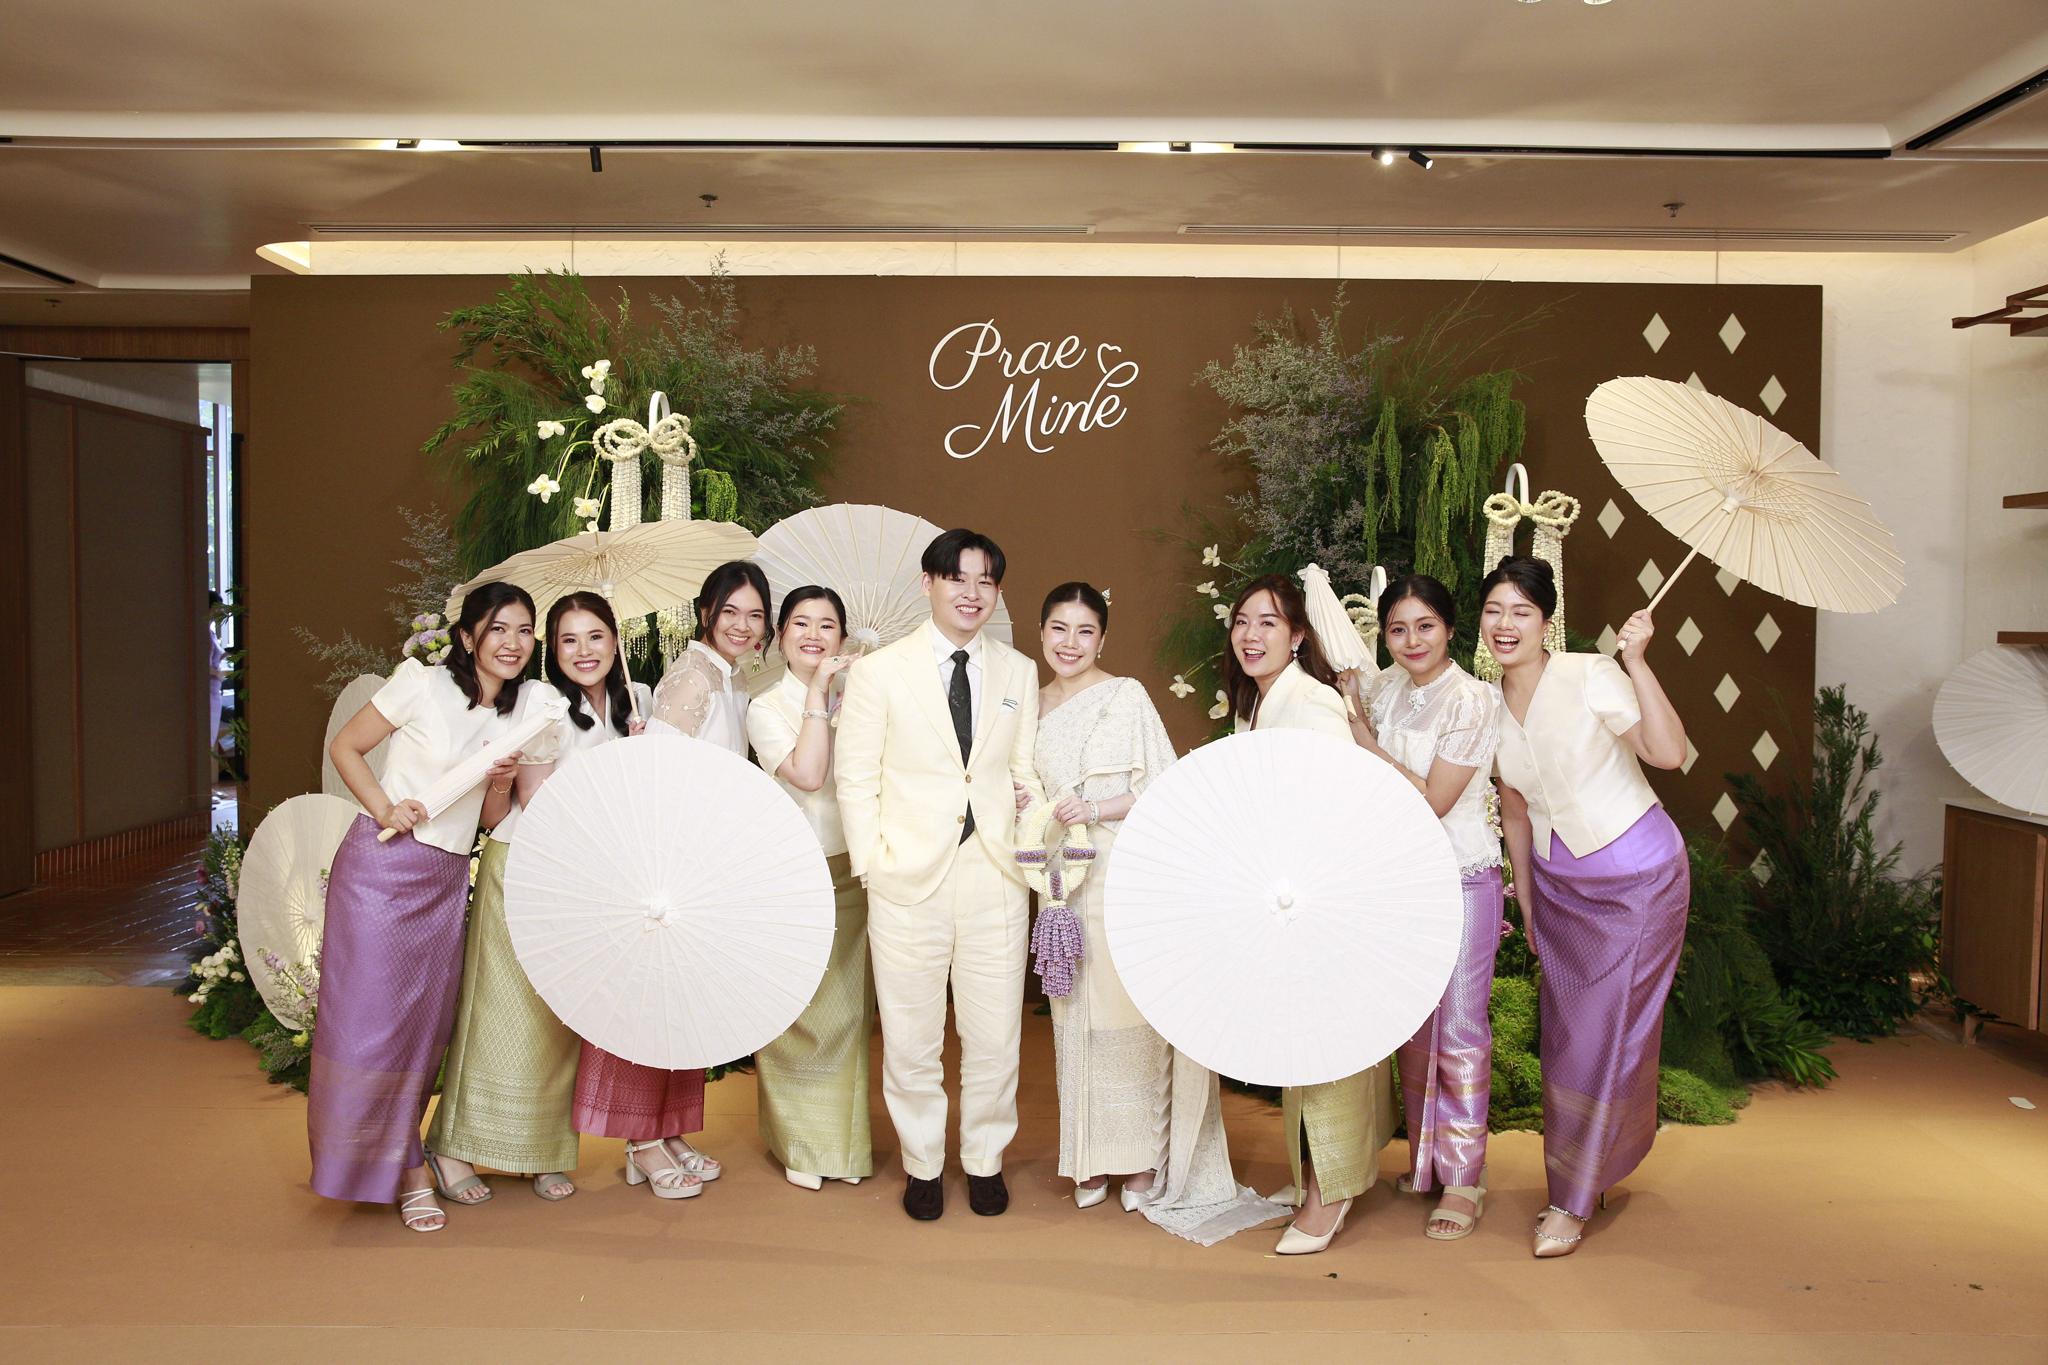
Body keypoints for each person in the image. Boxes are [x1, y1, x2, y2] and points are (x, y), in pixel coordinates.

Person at [1033, 581, 1284, 1244]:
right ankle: (1088, 1156)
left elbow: (1163, 786)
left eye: (1085, 631)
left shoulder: (1126, 696)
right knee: (1075, 1018)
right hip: (1059, 880)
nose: (1070, 643)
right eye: (1059, 628)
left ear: (1103, 638)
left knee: (1131, 1017)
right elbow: (1019, 790)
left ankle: (1142, 1159)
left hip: (1123, 874)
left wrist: (1095, 807)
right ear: (1041, 632)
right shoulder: (1027, 707)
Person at [834, 528, 1047, 1221]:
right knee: (910, 1035)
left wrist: (1033, 830)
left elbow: (1021, 769)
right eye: (957, 578)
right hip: (905, 877)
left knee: (995, 1036)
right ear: (928, 583)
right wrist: (872, 864)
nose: (972, 593)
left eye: (986, 581)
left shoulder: (1017, 671)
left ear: (997, 592)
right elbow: (855, 776)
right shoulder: (878, 671)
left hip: (994, 874)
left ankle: (984, 1160)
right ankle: (922, 1163)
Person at [1482, 555, 1689, 1259]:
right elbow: (1514, 811)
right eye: (1494, 610)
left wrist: (1638, 661)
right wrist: (1527, 902)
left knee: (1610, 1033)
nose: (1505, 624)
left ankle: (1570, 1199)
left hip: (1638, 878)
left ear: (1546, 621)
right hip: (1557, 886)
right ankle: (1588, 1171)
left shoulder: (1591, 673)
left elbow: (1668, 752)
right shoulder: (1489, 704)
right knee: (1570, 1037)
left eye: (1521, 611)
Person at [314, 581, 535, 1232]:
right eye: (498, 628)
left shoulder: (517, 716)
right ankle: (404, 1169)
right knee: (370, 1023)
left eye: (524, 630)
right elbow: (345, 746)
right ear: (467, 636)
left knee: (421, 1026)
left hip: (444, 878)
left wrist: (500, 784)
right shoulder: (421, 681)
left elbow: (488, 819)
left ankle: (405, 1154)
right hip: (380, 870)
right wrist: (385, 806)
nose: (512, 642)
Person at [422, 591, 652, 1206]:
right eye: (568, 640)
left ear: (615, 641)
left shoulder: (638, 702)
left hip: (587, 885)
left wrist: (642, 754)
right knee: (500, 1013)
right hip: (527, 869)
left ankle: (542, 1152)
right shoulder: (542, 704)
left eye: (596, 636)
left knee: (558, 1018)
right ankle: (451, 1147)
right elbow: (538, 803)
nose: (584, 651)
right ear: (553, 649)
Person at [572, 560, 767, 1199]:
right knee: (649, 1004)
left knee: (682, 1007)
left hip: (704, 862)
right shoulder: (692, 676)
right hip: (668, 862)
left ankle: (670, 1129)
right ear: (706, 613)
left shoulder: (730, 677)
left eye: (755, 614)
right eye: (730, 611)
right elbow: (654, 778)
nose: (742, 625)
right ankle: (641, 1141)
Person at [1225, 574, 1397, 1257]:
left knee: (1332, 1043)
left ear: (1297, 635)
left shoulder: (1315, 701)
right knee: (1302, 1041)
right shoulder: (1258, 706)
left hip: (1326, 896)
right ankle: (1313, 1176)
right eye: (1242, 621)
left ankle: (1333, 1190)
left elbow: (1339, 803)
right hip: (1286, 896)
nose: (1251, 635)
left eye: (1268, 622)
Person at [1347, 574, 1504, 1241]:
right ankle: (1425, 1161)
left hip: (1462, 874)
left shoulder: (1473, 698)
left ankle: (1465, 1178)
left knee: (1461, 1026)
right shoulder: (1386, 689)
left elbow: (1436, 799)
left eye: (1425, 626)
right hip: (1404, 881)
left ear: (1450, 628)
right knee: (1412, 1024)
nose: (1412, 640)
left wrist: (1366, 743)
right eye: (1398, 629)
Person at [745, 585, 874, 1191]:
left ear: (843, 638)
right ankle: (799, 1142)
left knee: (847, 1010)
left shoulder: (865, 700)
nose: (814, 635)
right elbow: (809, 773)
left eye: (827, 625)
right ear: (780, 636)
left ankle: (841, 1145)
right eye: (800, 623)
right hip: (791, 873)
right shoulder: (766, 706)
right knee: (794, 1008)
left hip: (853, 866)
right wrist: (819, 695)